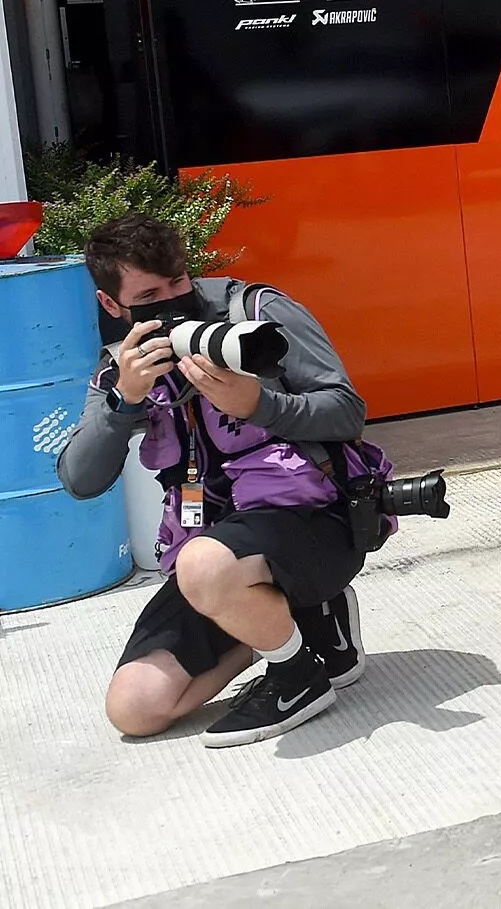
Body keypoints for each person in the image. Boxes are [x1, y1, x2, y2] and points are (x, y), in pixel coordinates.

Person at [58, 213, 369, 748]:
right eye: (150, 293)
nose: (172, 299)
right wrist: (123, 401)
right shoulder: (123, 366)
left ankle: (298, 675)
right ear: (113, 305)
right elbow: (80, 479)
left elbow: (346, 411)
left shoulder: (256, 313)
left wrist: (260, 404)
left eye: (178, 281)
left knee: (203, 561)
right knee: (135, 707)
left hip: (313, 522)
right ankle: (276, 625)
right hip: (212, 554)